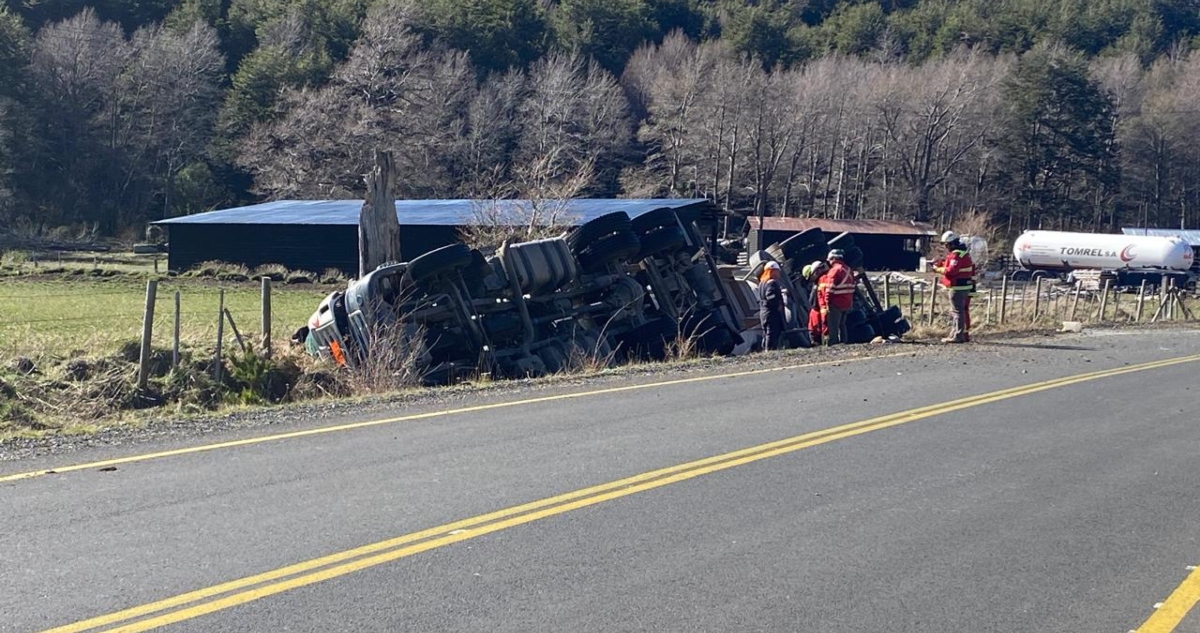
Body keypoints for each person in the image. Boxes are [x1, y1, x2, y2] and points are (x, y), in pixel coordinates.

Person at [933, 230, 976, 343]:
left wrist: (938, 269)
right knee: (959, 311)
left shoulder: (956, 254)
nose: (946, 247)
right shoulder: (964, 253)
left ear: (950, 244)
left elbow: (951, 271)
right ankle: (957, 334)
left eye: (946, 244)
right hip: (964, 287)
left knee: (957, 312)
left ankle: (957, 336)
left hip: (957, 287)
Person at [818, 249, 856, 345]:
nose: (829, 262)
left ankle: (833, 342)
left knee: (833, 325)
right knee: (842, 324)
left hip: (836, 303)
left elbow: (829, 289)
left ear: (834, 259)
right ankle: (844, 341)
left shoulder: (834, 271)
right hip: (847, 302)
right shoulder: (848, 269)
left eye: (830, 260)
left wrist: (827, 302)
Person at [757, 260, 788, 351]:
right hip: (771, 313)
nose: (779, 273)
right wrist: (779, 301)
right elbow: (770, 296)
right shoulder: (772, 283)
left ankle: (767, 350)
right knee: (772, 333)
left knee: (766, 333)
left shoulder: (761, 283)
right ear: (772, 271)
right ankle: (770, 351)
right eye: (777, 271)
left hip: (763, 312)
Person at [801, 260, 828, 346]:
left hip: (818, 311)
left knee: (816, 331)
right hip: (819, 311)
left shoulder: (817, 285)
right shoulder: (821, 281)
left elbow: (813, 302)